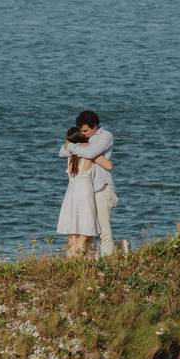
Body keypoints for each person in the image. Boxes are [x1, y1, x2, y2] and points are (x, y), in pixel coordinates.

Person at [58, 110, 118, 256]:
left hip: (100, 188)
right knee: (88, 229)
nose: (83, 134)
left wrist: (72, 146)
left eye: (86, 130)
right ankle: (89, 263)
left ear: (95, 126)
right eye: (81, 131)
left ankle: (107, 262)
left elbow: (91, 154)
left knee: (103, 230)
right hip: (86, 190)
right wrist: (79, 146)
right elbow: (61, 152)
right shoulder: (84, 140)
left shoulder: (106, 136)